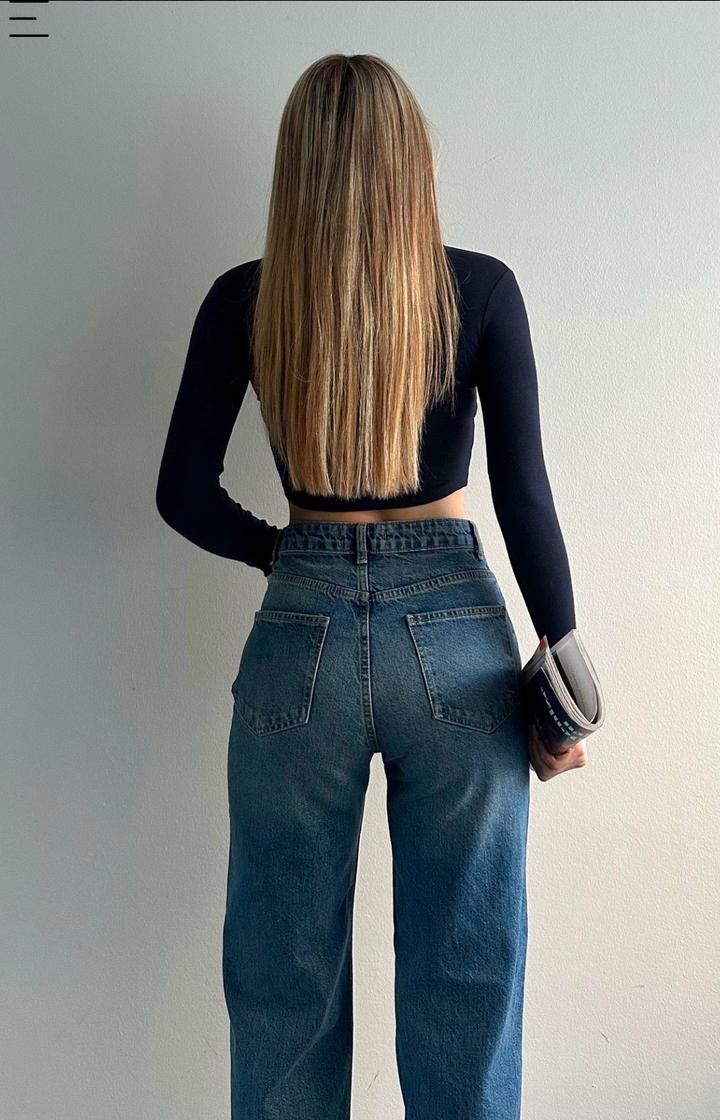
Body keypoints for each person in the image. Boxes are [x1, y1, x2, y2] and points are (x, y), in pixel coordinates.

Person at [155, 52, 587, 1120]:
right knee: (467, 970)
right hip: (456, 645)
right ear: (413, 161)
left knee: (281, 975)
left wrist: (285, 556)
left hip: (298, 639)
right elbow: (524, 493)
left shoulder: (246, 299)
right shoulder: (479, 288)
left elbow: (181, 492)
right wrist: (566, 669)